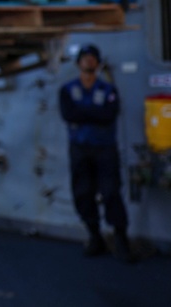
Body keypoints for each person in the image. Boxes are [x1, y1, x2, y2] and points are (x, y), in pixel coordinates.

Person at [59, 44, 134, 263]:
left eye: (93, 58)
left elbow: (108, 116)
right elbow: (68, 114)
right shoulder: (67, 90)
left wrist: (83, 113)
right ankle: (95, 236)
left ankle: (121, 239)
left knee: (111, 192)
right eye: (85, 58)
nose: (89, 61)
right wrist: (93, 113)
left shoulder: (108, 90)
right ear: (78, 63)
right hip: (80, 149)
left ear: (98, 63)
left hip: (104, 149)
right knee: (83, 193)